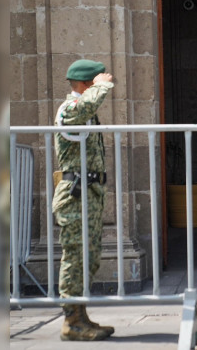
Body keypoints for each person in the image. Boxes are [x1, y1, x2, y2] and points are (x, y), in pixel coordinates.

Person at [52, 59, 115, 341]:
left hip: (88, 195)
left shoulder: (84, 110)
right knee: (75, 256)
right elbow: (84, 107)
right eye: (98, 79)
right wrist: (102, 88)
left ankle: (81, 316)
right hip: (74, 196)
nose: (102, 82)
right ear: (87, 83)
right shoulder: (70, 109)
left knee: (88, 258)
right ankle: (71, 321)